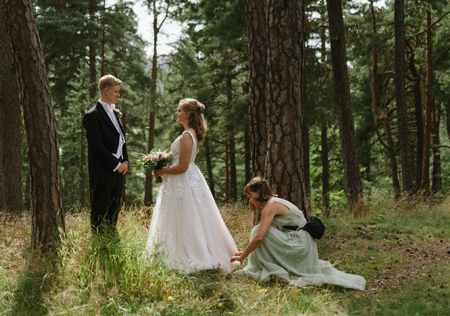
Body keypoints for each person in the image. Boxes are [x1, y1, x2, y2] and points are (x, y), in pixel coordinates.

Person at [147, 99, 238, 272]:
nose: (176, 113)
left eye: (179, 110)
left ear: (188, 114)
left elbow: (183, 167)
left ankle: (188, 253)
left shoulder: (187, 136)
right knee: (182, 215)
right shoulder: (189, 134)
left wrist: (162, 170)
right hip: (185, 179)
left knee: (185, 215)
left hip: (183, 180)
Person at [231, 177, 366, 290]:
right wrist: (248, 252)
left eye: (250, 196)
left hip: (300, 244)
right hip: (303, 242)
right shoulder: (275, 202)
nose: (250, 200)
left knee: (257, 231)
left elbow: (259, 237)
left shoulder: (271, 205)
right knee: (259, 231)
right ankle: (263, 266)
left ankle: (257, 268)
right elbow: (267, 236)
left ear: (258, 191)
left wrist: (242, 257)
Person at [84, 75, 129, 232]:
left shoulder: (114, 112)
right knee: (100, 211)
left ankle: (111, 239)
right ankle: (98, 241)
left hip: (119, 170)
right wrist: (116, 165)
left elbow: (121, 139)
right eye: (116, 92)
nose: (118, 95)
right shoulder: (92, 116)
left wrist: (125, 162)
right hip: (102, 171)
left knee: (114, 209)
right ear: (106, 91)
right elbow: (97, 147)